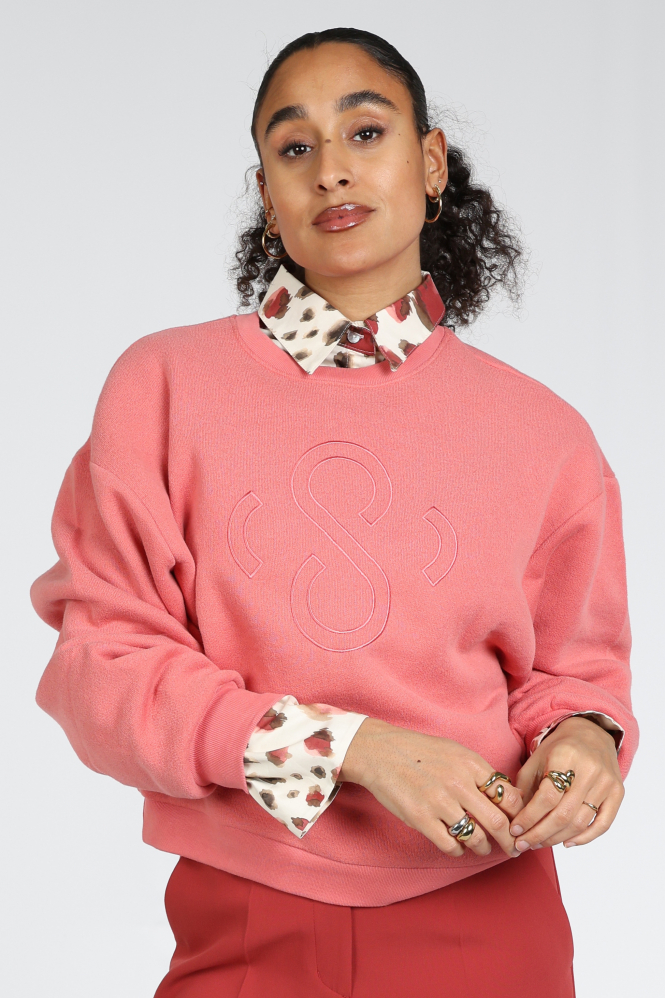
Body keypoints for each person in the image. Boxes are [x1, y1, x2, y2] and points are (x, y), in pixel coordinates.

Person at [30, 26, 638, 998]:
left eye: (365, 131)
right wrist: (349, 747)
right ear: (267, 194)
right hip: (247, 908)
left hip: (487, 905)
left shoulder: (546, 434)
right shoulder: (164, 386)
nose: (330, 170)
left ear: (430, 163)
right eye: (294, 146)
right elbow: (100, 669)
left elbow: (575, 677)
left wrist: (583, 742)